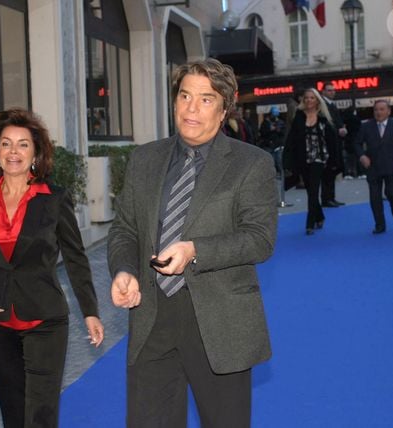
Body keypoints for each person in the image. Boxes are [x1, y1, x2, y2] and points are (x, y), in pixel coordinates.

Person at [108, 58, 278, 427]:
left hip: (219, 323)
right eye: (185, 95)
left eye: (205, 99)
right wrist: (124, 270)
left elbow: (259, 239)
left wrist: (194, 249)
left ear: (225, 108)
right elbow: (124, 228)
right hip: (152, 317)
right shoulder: (144, 159)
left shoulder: (251, 164)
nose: (190, 108)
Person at [0, 108, 104, 428]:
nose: (13, 152)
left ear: (36, 152)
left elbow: (76, 257)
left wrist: (90, 311)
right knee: (13, 412)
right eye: (6, 144)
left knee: (40, 414)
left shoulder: (53, 199)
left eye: (22, 144)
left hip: (45, 319)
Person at [284, 88, 339, 235]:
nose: (309, 100)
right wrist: (287, 159)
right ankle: (320, 216)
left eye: (312, 98)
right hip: (303, 159)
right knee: (310, 191)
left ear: (317, 101)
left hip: (319, 159)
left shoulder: (323, 118)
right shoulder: (299, 117)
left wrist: (334, 161)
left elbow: (332, 141)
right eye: (306, 98)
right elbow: (292, 140)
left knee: (314, 190)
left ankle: (309, 223)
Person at [354, 100, 393, 234]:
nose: (378, 112)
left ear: (388, 111)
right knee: (375, 198)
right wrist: (362, 156)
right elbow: (356, 143)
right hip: (373, 167)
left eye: (381, 109)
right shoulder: (366, 126)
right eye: (376, 110)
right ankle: (380, 224)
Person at [320, 82, 347, 207]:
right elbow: (327, 124)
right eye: (329, 90)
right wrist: (338, 129)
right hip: (328, 143)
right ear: (323, 92)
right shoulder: (322, 105)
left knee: (334, 169)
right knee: (329, 171)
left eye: (333, 90)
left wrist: (342, 127)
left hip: (336, 141)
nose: (332, 92)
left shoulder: (332, 105)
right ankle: (326, 198)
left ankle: (331, 197)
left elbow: (337, 121)